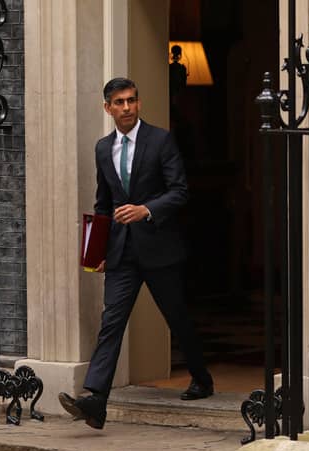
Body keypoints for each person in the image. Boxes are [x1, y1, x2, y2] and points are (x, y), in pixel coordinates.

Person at [58, 78, 213, 430]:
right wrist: (93, 252)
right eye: (119, 102)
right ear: (107, 108)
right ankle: (96, 399)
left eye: (131, 101)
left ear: (138, 103)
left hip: (161, 249)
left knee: (177, 319)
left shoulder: (161, 140)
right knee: (111, 322)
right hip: (121, 253)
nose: (127, 108)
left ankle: (202, 378)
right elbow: (103, 204)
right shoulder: (102, 149)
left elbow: (180, 191)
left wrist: (147, 210)